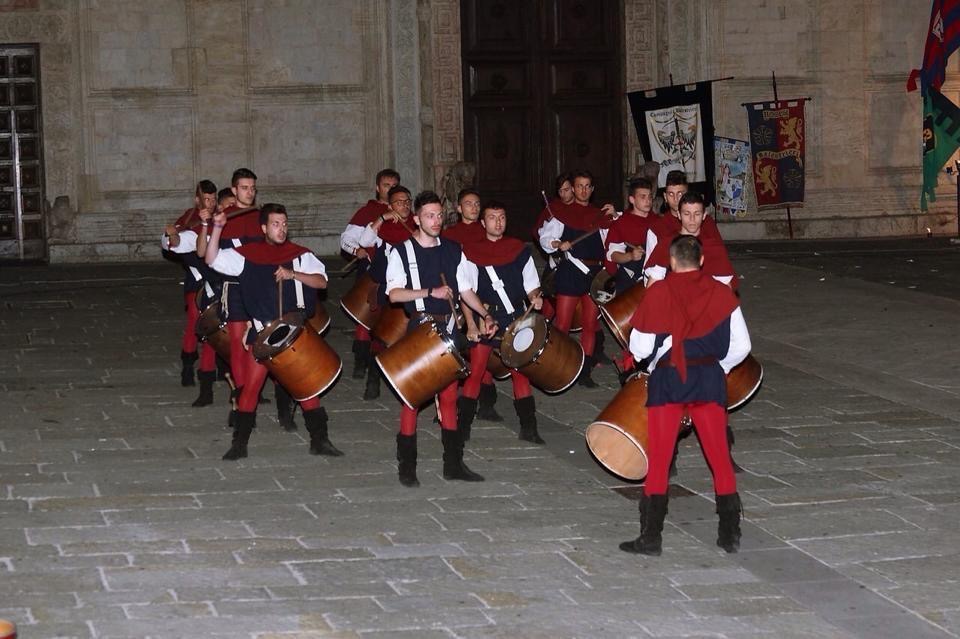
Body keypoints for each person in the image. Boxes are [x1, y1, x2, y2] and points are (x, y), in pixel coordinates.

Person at [619, 235, 750, 556]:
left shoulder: (659, 291)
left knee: (661, 458)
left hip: (669, 380)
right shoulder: (722, 293)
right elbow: (742, 347)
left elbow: (639, 348)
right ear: (702, 261)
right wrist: (720, 367)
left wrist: (651, 363)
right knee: (719, 457)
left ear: (671, 262)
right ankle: (729, 535)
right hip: (708, 379)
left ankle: (651, 538)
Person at [205, 203, 343, 460]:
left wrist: (293, 274)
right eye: (276, 224)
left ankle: (319, 440)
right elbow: (212, 259)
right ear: (264, 228)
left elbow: (322, 281)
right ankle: (239, 444)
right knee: (251, 389)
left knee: (306, 387)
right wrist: (217, 228)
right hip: (263, 334)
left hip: (292, 332)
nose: (281, 229)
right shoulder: (246, 255)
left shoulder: (300, 254)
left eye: (284, 224)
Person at [385, 190, 497, 487]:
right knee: (412, 398)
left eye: (439, 215)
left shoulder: (452, 249)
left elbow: (465, 289)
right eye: (429, 216)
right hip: (420, 330)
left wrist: (485, 314)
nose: (436, 221)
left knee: (449, 398)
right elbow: (394, 294)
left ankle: (453, 464)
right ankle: (407, 467)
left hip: (448, 330)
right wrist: (428, 292)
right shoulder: (402, 251)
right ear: (417, 218)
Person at [459, 201, 545, 444]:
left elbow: (531, 285)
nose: (498, 222)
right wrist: (472, 324)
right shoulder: (470, 254)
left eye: (502, 217)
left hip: (516, 318)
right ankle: (462, 427)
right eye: (492, 217)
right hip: (487, 318)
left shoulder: (519, 250)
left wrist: (535, 298)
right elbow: (466, 293)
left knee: (520, 372)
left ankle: (529, 428)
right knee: (475, 371)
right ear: (483, 223)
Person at [538, 170, 616, 387]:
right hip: (571, 272)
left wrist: (616, 215)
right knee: (562, 325)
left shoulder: (599, 215)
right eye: (579, 186)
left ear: (592, 190)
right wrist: (556, 244)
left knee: (590, 324)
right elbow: (545, 237)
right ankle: (558, 367)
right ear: (572, 188)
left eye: (587, 186)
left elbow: (614, 239)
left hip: (594, 275)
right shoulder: (561, 213)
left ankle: (585, 371)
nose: (583, 190)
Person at [443, 188, 503, 422]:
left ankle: (486, 403)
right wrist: (468, 319)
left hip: (486, 301)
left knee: (482, 357)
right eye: (468, 203)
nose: (474, 207)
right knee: (463, 356)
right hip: (461, 301)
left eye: (477, 203)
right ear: (459, 208)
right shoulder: (450, 235)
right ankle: (453, 404)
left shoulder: (486, 229)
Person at [339, 169, 400, 380]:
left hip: (397, 275)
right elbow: (346, 239)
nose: (390, 189)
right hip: (371, 270)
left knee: (390, 319)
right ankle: (360, 361)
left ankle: (383, 362)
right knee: (365, 316)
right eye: (386, 185)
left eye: (394, 186)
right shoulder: (367, 212)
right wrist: (357, 250)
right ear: (377, 188)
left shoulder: (405, 212)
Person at [356, 185, 416, 399]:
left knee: (409, 337)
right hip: (385, 288)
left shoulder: (417, 225)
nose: (405, 205)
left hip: (410, 289)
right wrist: (382, 217)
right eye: (399, 202)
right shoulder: (382, 228)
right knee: (381, 336)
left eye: (407, 201)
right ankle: (373, 380)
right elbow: (363, 242)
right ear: (390, 206)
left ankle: (406, 381)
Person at [163, 180, 218, 388]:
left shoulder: (220, 217)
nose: (211, 203)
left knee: (215, 327)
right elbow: (175, 242)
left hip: (219, 280)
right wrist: (173, 235)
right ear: (198, 199)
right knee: (195, 321)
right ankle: (187, 366)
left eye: (213, 199)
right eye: (206, 199)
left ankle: (212, 372)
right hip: (197, 280)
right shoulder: (189, 217)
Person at [604, 177, 655, 382]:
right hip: (629, 280)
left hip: (652, 281)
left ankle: (648, 367)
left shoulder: (657, 221)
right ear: (632, 199)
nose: (648, 201)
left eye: (650, 196)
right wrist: (629, 257)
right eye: (643, 197)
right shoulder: (621, 223)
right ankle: (628, 369)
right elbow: (611, 254)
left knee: (652, 326)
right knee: (630, 328)